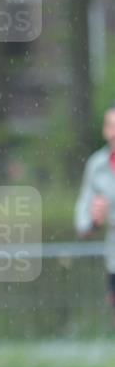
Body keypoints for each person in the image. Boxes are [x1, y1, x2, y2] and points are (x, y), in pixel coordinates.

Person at [74, 104, 115, 322]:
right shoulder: (96, 166)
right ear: (105, 130)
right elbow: (83, 222)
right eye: (111, 126)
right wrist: (95, 221)